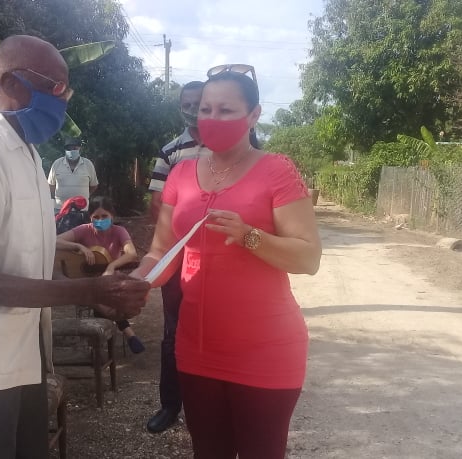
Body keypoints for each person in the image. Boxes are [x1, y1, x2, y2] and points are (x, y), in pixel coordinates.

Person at [0, 35, 150, 459]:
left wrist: (95, 285)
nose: (62, 100)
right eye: (55, 87)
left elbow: (30, 255)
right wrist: (89, 291)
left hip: (21, 355)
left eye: (65, 90)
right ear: (11, 83)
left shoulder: (29, 155)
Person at [131, 67, 322, 458]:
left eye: (226, 110)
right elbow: (160, 253)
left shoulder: (276, 170)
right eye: (206, 109)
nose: (212, 118)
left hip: (267, 349)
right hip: (197, 348)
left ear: (254, 115)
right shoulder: (181, 174)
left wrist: (250, 236)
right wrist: (134, 281)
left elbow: (308, 257)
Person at [146, 80, 205, 433]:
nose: (193, 109)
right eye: (187, 103)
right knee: (173, 330)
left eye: (200, 103)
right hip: (177, 253)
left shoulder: (232, 147)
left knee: (214, 328)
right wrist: (181, 233)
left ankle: (207, 405)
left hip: (221, 256)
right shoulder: (170, 152)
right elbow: (157, 204)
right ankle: (170, 404)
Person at [56, 196, 145, 353]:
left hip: (110, 282)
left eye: (104, 216)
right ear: (90, 217)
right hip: (86, 282)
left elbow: (131, 254)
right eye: (96, 217)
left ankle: (103, 342)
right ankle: (128, 334)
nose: (100, 220)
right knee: (98, 295)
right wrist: (78, 247)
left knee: (101, 297)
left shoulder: (119, 231)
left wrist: (111, 266)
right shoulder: (84, 230)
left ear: (112, 216)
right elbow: (55, 241)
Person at [48, 138, 98, 212]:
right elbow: (51, 185)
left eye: (74, 148)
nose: (71, 151)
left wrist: (83, 197)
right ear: (65, 150)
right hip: (60, 209)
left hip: (82, 210)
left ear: (80, 148)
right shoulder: (57, 164)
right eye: (69, 148)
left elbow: (93, 185)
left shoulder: (88, 164)